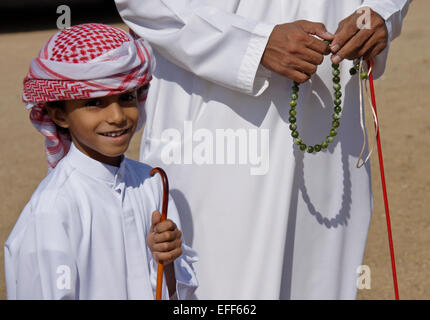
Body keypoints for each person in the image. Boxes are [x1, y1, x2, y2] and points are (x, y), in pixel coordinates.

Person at [115, 0, 411, 299]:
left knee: (316, 276)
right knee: (213, 282)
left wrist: (380, 13)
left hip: (327, 127)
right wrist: (253, 43)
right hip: (216, 126)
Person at [4, 23, 198, 300]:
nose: (117, 116)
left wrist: (167, 262)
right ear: (59, 115)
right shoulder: (53, 210)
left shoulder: (152, 183)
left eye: (126, 97)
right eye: (95, 103)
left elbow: (178, 295)